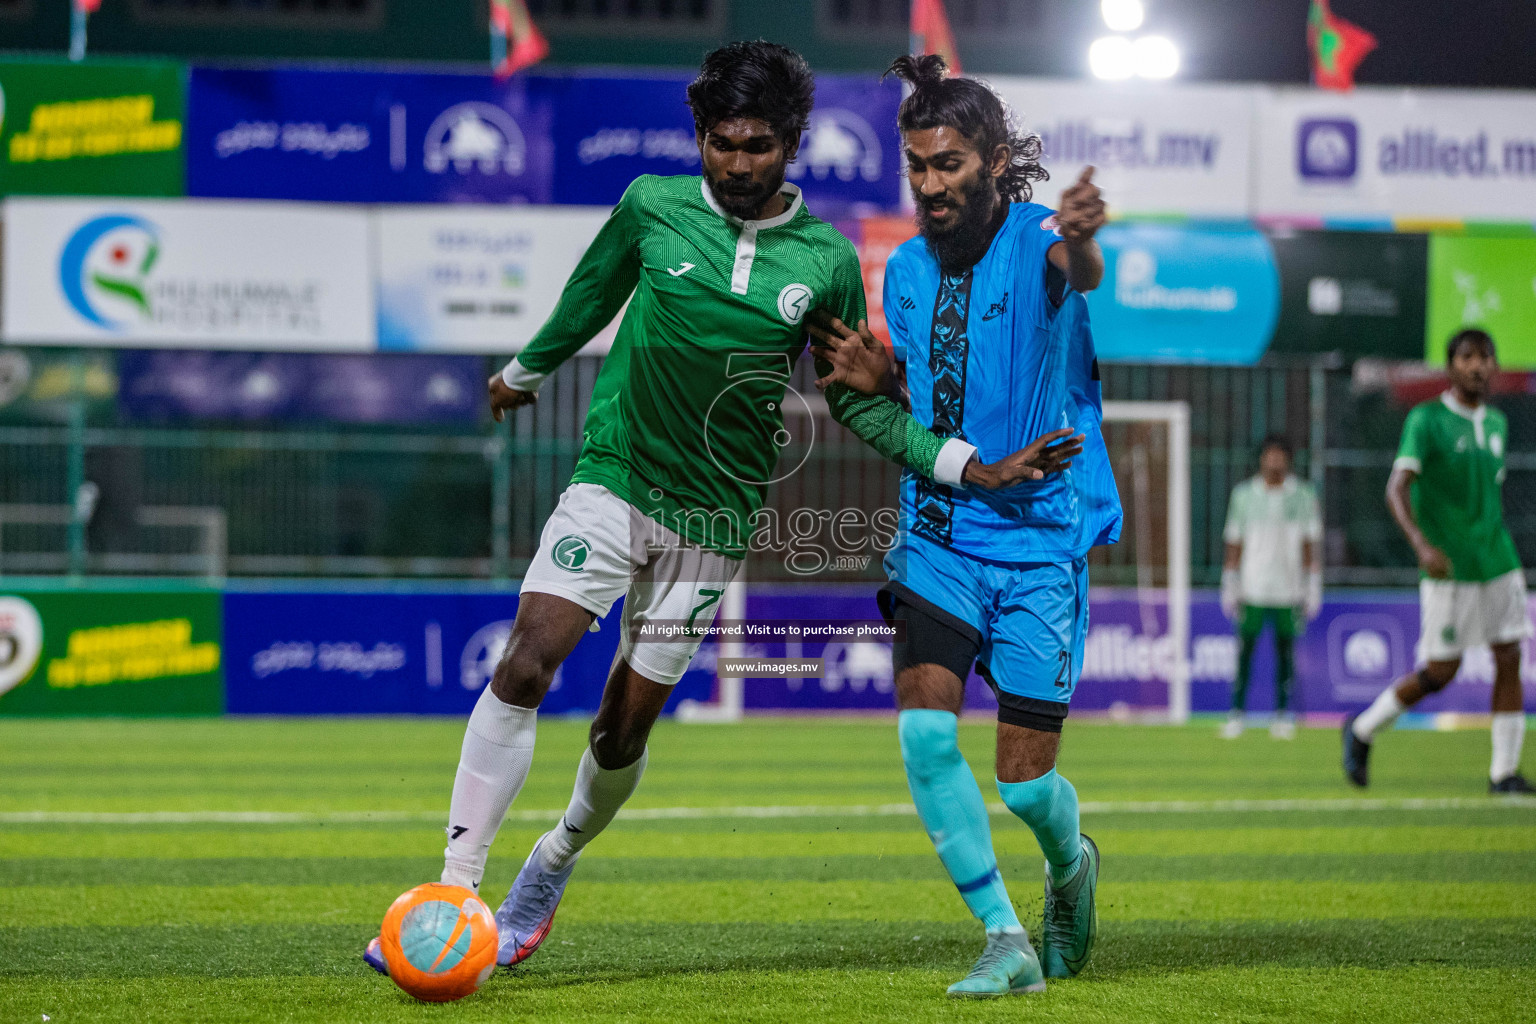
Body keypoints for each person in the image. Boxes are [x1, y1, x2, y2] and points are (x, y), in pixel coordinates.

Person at [363, 40, 1077, 977]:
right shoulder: (652, 209)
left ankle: (554, 859)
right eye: (722, 143)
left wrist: (962, 463)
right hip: (614, 480)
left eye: (759, 146)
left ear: (792, 144)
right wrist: (522, 371)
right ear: (699, 136)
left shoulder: (823, 261)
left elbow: (854, 396)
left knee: (622, 728)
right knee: (528, 660)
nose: (738, 164)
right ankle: (457, 891)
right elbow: (588, 298)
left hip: (713, 523)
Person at [810, 54, 1122, 997]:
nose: (932, 184)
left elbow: (1083, 271)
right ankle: (1003, 937)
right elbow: (945, 388)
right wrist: (886, 384)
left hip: (1036, 545)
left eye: (949, 164)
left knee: (1027, 786)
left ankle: (1072, 867)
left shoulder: (1039, 244)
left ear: (990, 161)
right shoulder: (903, 269)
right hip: (941, 537)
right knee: (922, 737)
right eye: (918, 166)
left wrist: (1084, 236)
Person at [1343, 328, 1530, 793]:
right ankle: (1362, 729)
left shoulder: (1497, 424)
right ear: (1451, 366)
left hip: (1499, 563)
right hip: (1449, 570)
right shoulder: (1426, 420)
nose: (1477, 365)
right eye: (1467, 357)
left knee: (1509, 656)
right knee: (1441, 672)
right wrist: (1422, 546)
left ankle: (1503, 773)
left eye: (1485, 357)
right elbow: (1396, 488)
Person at [1218, 435, 1323, 740]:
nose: (1275, 461)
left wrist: (1312, 584)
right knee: (1245, 654)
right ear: (1262, 458)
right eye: (1270, 455)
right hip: (1253, 587)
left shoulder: (1303, 495)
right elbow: (1234, 541)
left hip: (1288, 590)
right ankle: (1236, 715)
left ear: (1288, 459)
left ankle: (1281, 715)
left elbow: (1309, 543)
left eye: (1281, 455)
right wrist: (1230, 582)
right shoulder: (1244, 495)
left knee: (1285, 654)